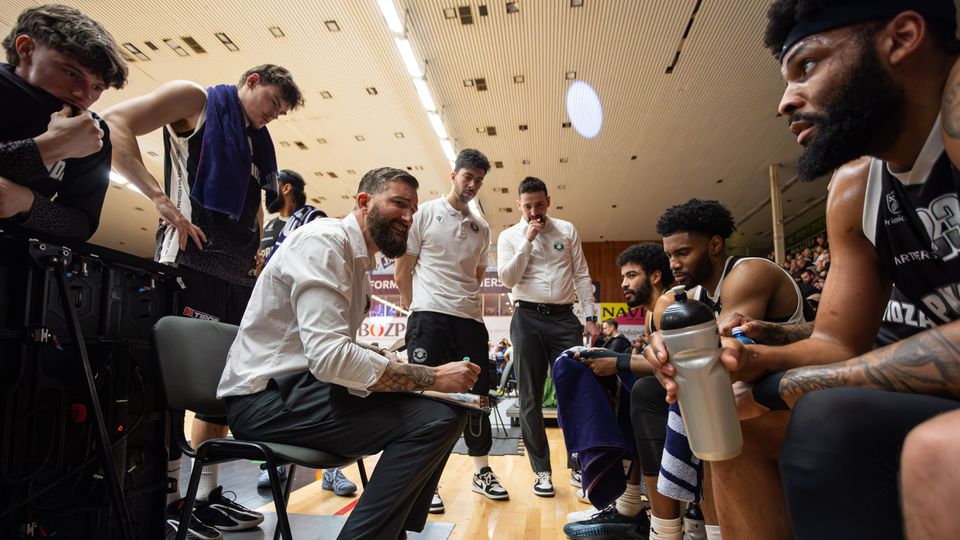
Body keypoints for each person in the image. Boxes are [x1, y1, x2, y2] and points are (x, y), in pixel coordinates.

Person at [645, 1, 960, 538]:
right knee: (730, 421)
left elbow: (832, 368)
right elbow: (836, 341)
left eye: (807, 66)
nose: (785, 101)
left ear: (903, 36)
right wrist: (743, 358)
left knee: (835, 419)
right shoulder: (855, 187)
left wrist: (792, 383)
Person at [218, 167, 480, 540]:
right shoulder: (324, 243)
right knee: (436, 417)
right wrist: (430, 377)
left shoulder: (357, 262)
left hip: (299, 391)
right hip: (264, 402)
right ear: (364, 202)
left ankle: (388, 533)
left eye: (413, 209)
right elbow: (329, 359)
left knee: (445, 411)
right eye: (399, 204)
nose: (409, 218)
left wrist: (397, 368)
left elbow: (333, 350)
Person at [103, 64, 305, 537]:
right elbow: (113, 124)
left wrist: (255, 245)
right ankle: (171, 497)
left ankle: (207, 494)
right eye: (272, 102)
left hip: (235, 274)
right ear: (252, 80)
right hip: (189, 263)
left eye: (280, 112)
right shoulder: (196, 100)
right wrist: (157, 198)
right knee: (175, 389)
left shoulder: (257, 142)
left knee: (224, 388)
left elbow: (253, 198)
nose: (273, 115)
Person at [394, 148, 509, 514]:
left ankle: (482, 471)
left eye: (478, 180)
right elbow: (402, 272)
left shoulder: (482, 228)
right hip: (429, 319)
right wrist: (421, 310)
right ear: (453, 174)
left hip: (470, 324)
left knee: (477, 399)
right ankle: (428, 482)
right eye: (467, 177)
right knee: (425, 399)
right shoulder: (425, 213)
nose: (472, 184)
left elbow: (475, 279)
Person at [561, 242, 673, 538]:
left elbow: (674, 367)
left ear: (656, 276)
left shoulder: (668, 304)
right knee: (628, 388)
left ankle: (656, 523)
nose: (623, 283)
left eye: (631, 275)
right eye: (622, 277)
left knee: (641, 391)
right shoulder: (652, 314)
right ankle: (626, 502)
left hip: (684, 398)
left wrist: (619, 362)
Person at [496, 176, 600, 496]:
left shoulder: (567, 231)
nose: (533, 211)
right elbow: (507, 278)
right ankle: (541, 471)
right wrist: (528, 239)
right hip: (526, 318)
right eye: (527, 206)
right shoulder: (509, 236)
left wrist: (591, 317)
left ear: (548, 201)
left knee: (573, 392)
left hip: (564, 319)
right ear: (519, 206)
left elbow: (581, 274)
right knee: (529, 399)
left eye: (538, 205)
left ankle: (577, 464)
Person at [0, 4, 127, 240]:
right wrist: (48, 148)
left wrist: (26, 202)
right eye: (71, 73)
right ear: (26, 49)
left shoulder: (93, 130)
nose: (85, 95)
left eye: (97, 87)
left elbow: (81, 225)